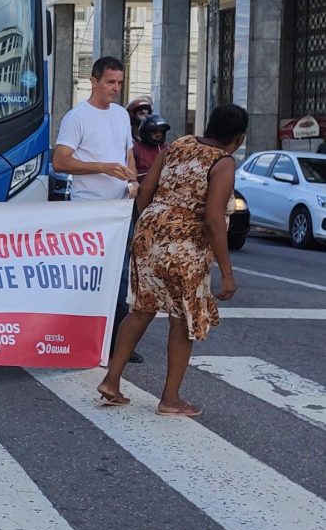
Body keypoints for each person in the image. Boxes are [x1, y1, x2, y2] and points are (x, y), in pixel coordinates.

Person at [98, 104, 248, 416]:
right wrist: (228, 272)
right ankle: (170, 399)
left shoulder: (177, 145)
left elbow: (145, 190)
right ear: (239, 138)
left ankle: (111, 381)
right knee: (182, 321)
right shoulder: (223, 163)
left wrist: (150, 225)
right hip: (185, 247)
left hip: (149, 232)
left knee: (140, 310)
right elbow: (213, 220)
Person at [52, 56, 143, 363]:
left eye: (119, 82)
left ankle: (119, 340)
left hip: (120, 209)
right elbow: (61, 161)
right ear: (94, 81)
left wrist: (132, 181)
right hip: (88, 210)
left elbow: (128, 155)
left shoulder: (120, 116)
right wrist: (101, 167)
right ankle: (78, 336)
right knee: (87, 276)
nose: (115, 89)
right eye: (110, 82)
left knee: (121, 277)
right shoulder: (77, 117)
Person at [133, 114, 171, 182]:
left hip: (163, 186)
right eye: (155, 132)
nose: (158, 135)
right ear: (145, 132)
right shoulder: (136, 148)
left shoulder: (167, 148)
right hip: (142, 187)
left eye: (160, 132)